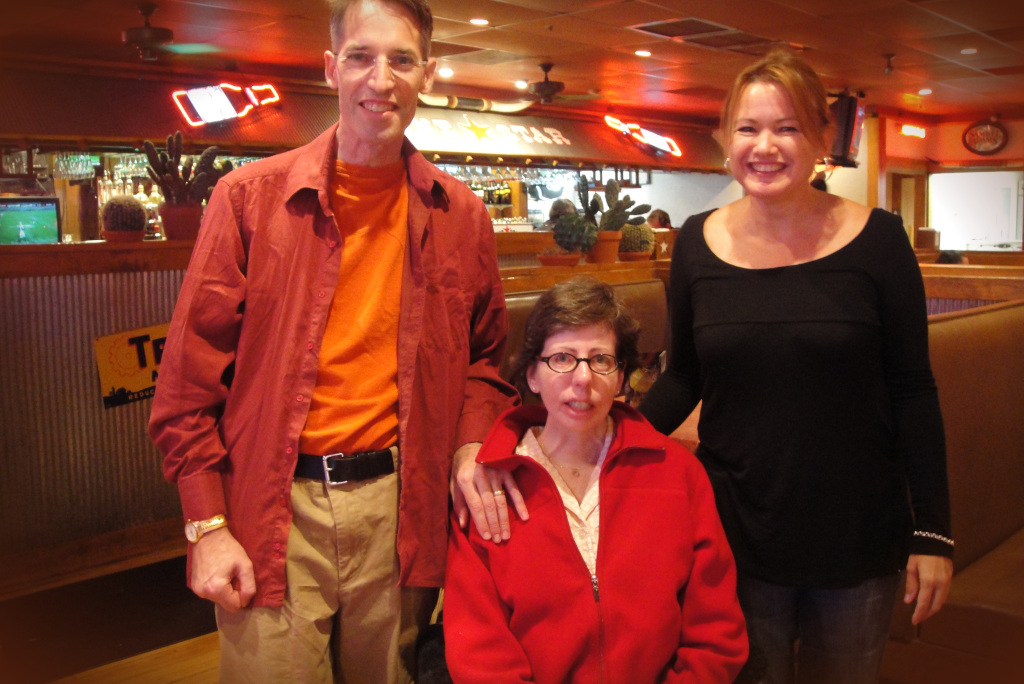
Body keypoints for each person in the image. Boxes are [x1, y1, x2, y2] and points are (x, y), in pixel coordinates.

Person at [148, 1, 519, 681]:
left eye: (402, 59)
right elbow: (185, 385)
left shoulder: (461, 217)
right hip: (271, 508)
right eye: (361, 57)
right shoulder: (248, 200)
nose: (381, 78)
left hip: (401, 509)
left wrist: (470, 444)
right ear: (331, 69)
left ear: (427, 73)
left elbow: (486, 362)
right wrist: (206, 526)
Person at [639, 49, 954, 684]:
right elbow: (684, 379)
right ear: (726, 139)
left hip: (856, 530)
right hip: (733, 530)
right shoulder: (696, 242)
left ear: (818, 140)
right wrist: (604, 444)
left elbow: (913, 390)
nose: (765, 146)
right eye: (748, 128)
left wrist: (935, 533)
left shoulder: (880, 240)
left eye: (786, 127)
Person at [444, 276, 748, 684]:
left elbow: (715, 633)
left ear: (622, 377)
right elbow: (479, 653)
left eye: (601, 359)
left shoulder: (678, 473)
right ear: (532, 374)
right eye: (563, 358)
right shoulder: (490, 483)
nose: (583, 378)